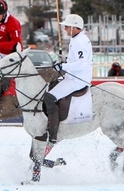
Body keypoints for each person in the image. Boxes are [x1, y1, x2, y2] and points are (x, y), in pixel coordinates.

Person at [36, 14, 93, 145]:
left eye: (67, 26)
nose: (65, 29)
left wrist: (63, 65)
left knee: (49, 97)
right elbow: (75, 60)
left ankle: (52, 135)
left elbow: (82, 64)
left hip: (78, 79)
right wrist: (64, 61)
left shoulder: (80, 41)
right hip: (73, 76)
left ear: (74, 27)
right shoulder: (76, 38)